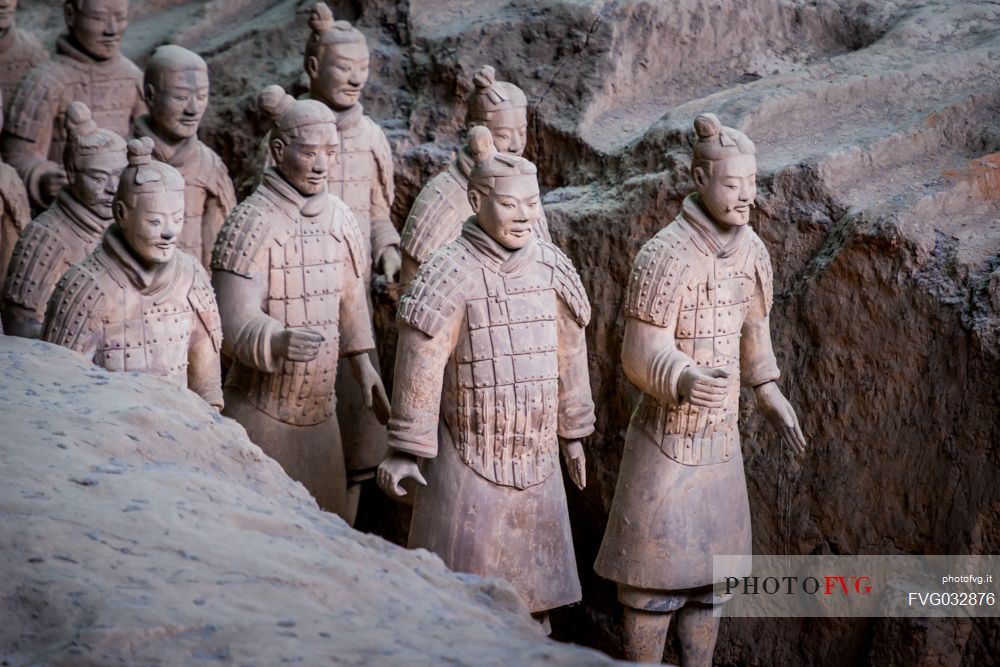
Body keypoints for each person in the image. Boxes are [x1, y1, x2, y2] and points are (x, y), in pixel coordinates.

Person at [593, 113, 807, 666]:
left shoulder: (754, 252)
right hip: (665, 444)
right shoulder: (664, 255)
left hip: (721, 444)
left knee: (712, 585)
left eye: (752, 185)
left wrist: (767, 387)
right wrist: (684, 377)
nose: (747, 198)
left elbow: (754, 332)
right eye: (733, 186)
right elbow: (639, 352)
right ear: (699, 179)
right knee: (650, 588)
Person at [377, 126, 594, 630]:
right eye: (509, 204)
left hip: (538, 457)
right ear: (475, 200)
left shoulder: (553, 267)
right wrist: (407, 448)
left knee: (538, 605)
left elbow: (571, 349)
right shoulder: (448, 270)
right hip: (466, 455)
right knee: (459, 607)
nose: (524, 215)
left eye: (532, 204)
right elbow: (422, 363)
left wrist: (574, 432)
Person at [212, 85, 388, 517]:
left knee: (328, 527)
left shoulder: (342, 218)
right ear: (277, 150)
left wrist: (362, 362)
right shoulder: (250, 221)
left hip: (321, 416)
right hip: (262, 412)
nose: (322, 165)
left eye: (330, 152)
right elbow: (230, 320)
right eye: (309, 153)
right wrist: (276, 339)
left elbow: (349, 298)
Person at [42, 137, 223, 409]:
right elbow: (58, 395)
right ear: (122, 214)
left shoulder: (192, 275)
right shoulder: (85, 286)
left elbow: (206, 384)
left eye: (177, 218)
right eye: (155, 221)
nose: (169, 232)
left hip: (183, 433)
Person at [399, 64, 550, 289]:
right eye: (504, 135)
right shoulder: (442, 197)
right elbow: (412, 296)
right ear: (475, 130)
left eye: (522, 132)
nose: (517, 145)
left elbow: (546, 273)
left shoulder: (525, 190)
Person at [1, 0, 144, 210]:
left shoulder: (133, 77)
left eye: (120, 18)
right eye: (98, 18)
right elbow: (15, 156)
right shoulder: (45, 81)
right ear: (70, 15)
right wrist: (42, 176)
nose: (111, 30)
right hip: (66, 213)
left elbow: (149, 142)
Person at [4, 101, 126, 338]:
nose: (112, 189)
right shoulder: (44, 238)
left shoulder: (126, 227)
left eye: (120, 176)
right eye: (99, 178)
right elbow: (20, 328)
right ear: (71, 173)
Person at [133, 45, 234, 269]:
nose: (193, 109)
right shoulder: (120, 164)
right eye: (181, 97)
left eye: (202, 96)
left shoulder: (210, 166)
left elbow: (219, 250)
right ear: (149, 95)